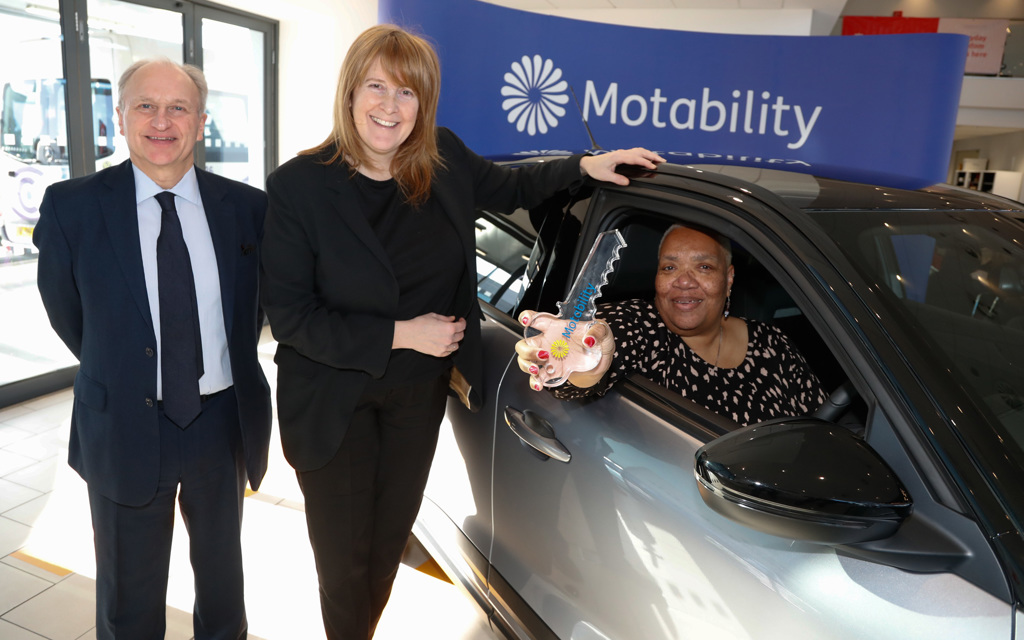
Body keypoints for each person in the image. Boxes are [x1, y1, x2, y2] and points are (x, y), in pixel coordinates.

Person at [259, 23, 664, 639]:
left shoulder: (441, 161)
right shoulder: (299, 186)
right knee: (343, 564)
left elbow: (516, 184)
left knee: (388, 545)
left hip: (413, 399)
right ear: (349, 93)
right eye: (376, 87)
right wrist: (404, 333)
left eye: (407, 92)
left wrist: (587, 164)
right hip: (332, 400)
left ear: (423, 103)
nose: (390, 106)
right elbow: (292, 319)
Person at [34, 59, 272, 639]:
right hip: (123, 424)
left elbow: (254, 311)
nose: (161, 120)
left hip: (220, 422)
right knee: (128, 596)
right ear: (120, 117)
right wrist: (126, 370)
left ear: (201, 120)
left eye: (178, 107)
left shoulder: (247, 208)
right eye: (145, 105)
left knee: (223, 584)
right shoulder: (72, 207)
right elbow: (68, 314)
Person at [517, 223, 827, 426]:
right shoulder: (645, 324)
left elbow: (823, 423)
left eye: (703, 267)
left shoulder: (772, 343)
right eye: (669, 267)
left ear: (728, 278)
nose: (683, 281)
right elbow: (601, 343)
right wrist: (583, 360)